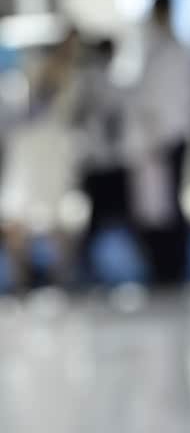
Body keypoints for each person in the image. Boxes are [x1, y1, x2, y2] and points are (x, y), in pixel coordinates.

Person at [125, 0, 190, 285]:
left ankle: (173, 265)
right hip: (165, 136)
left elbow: (169, 100)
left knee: (166, 205)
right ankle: (168, 264)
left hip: (167, 137)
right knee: (160, 206)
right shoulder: (161, 48)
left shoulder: (169, 50)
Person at [0, 26, 82, 290]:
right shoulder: (21, 84)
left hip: (48, 157)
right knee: (18, 221)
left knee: (55, 220)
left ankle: (59, 278)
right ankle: (23, 280)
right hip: (28, 159)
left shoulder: (66, 80)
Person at [74, 39, 128, 281]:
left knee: (104, 215)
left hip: (101, 158)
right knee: (103, 214)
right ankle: (84, 261)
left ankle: (85, 260)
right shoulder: (93, 79)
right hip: (100, 160)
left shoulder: (95, 79)